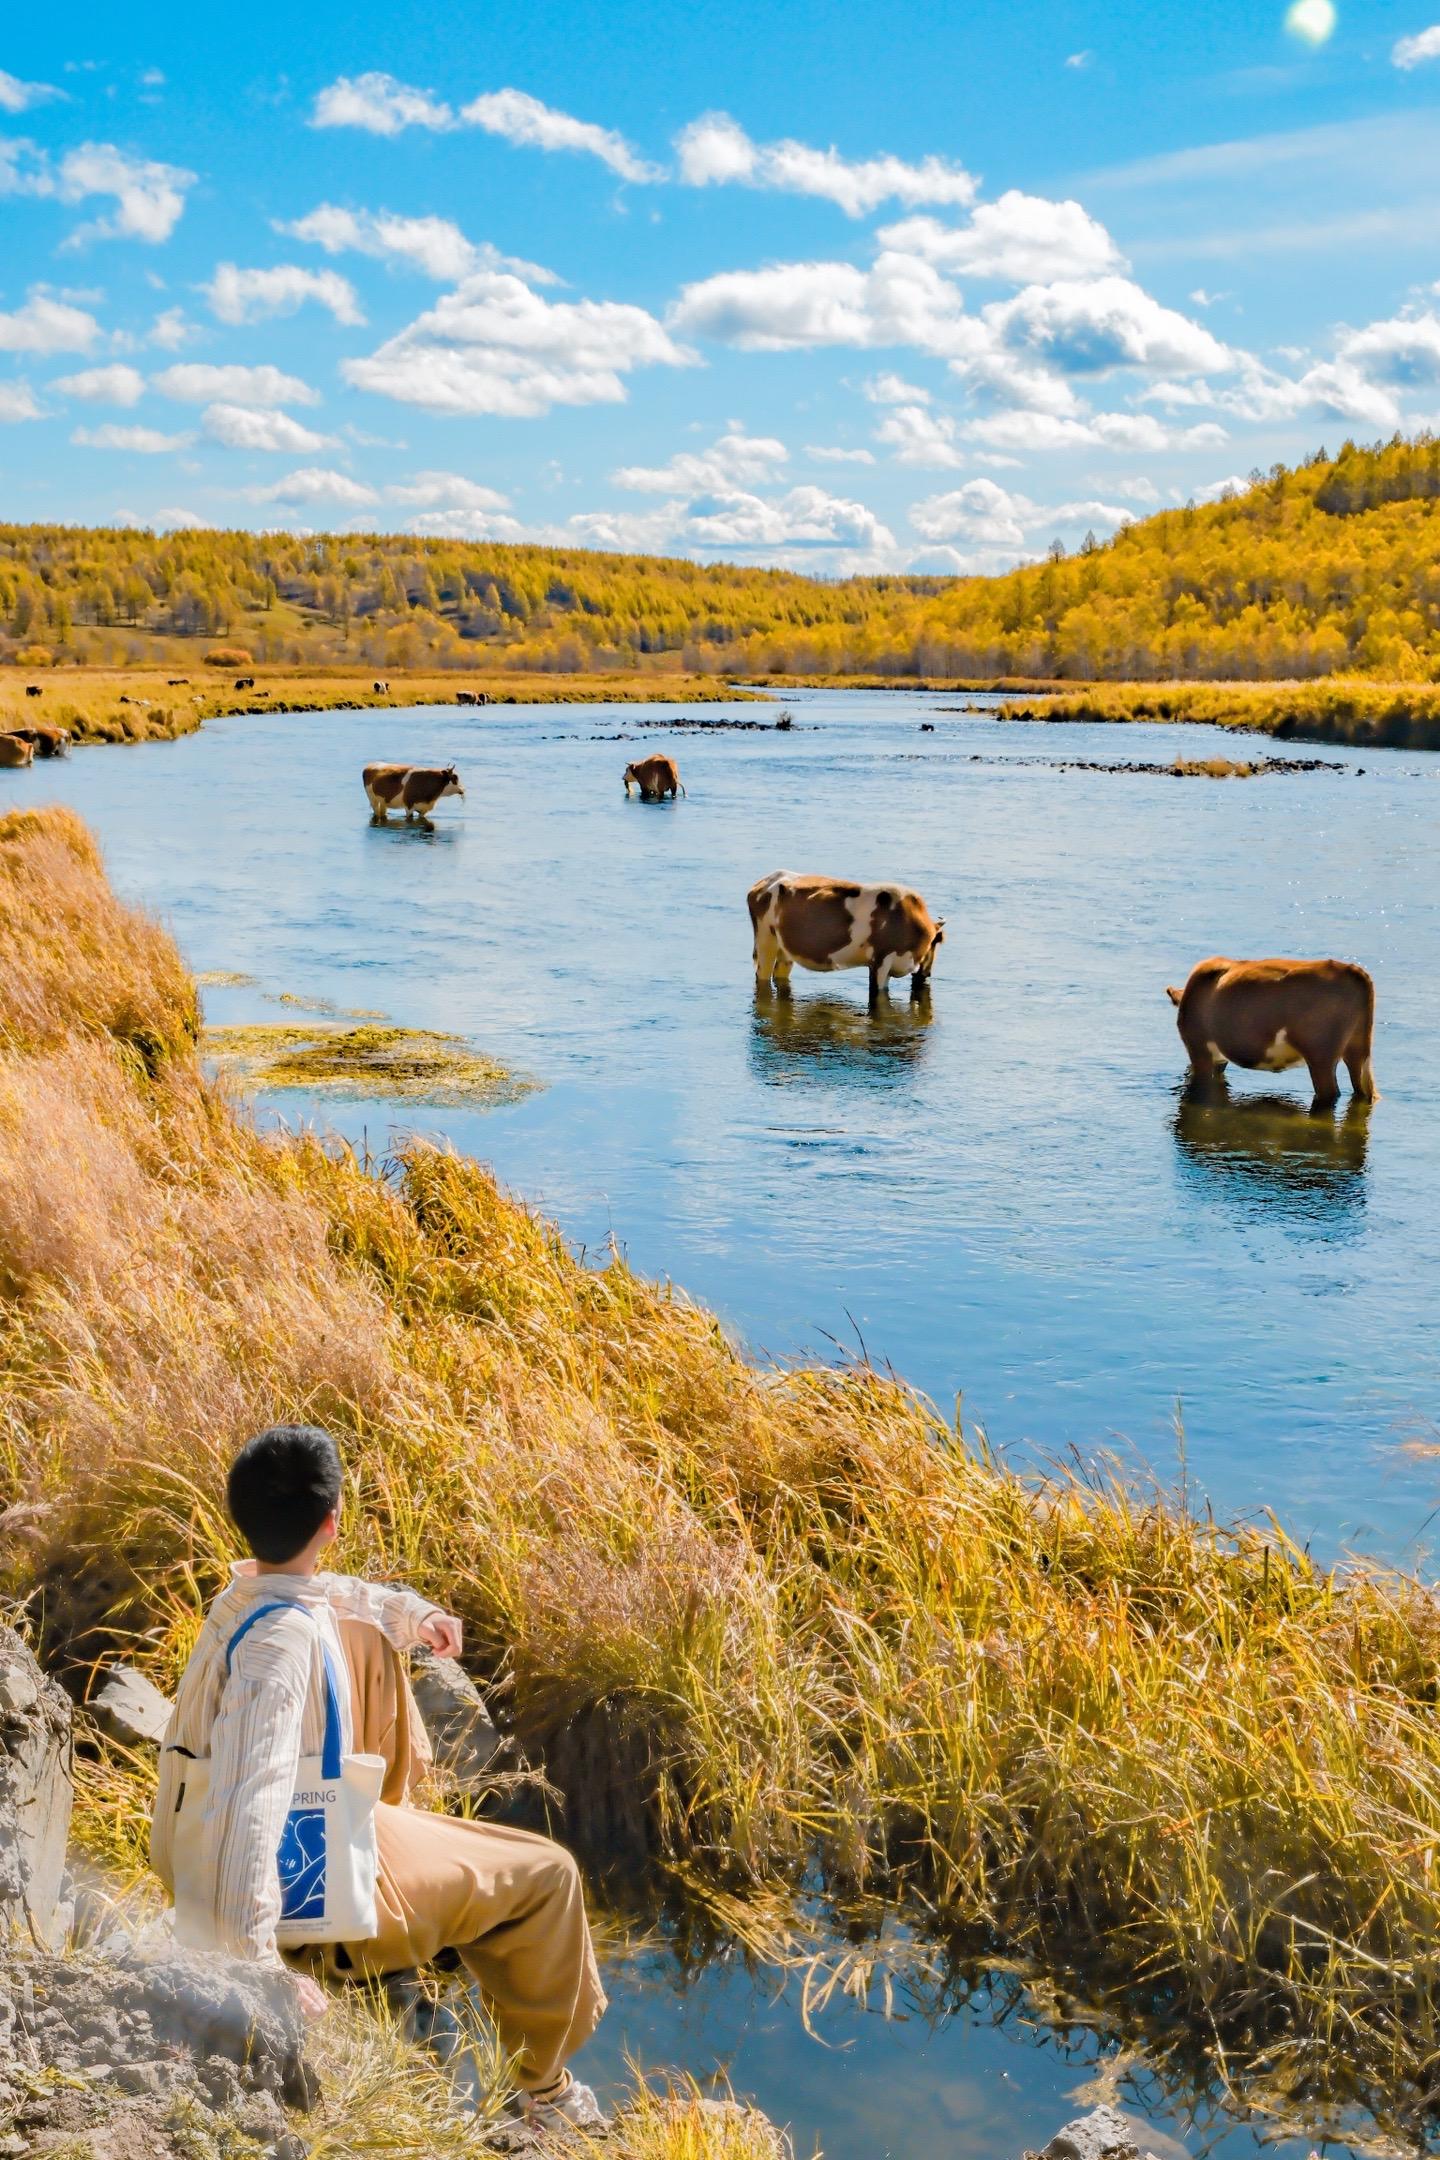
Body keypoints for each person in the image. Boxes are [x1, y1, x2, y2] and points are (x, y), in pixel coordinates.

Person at [152, 1423, 609, 2132]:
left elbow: (326, 1594)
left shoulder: (250, 1596)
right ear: (332, 1520)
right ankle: (542, 2094)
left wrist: (410, 1614)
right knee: (549, 1875)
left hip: (234, 1842)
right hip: (303, 1895)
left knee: (363, 1637)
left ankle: (404, 1872)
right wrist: (258, 1966)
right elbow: (248, 1801)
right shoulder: (279, 1652)